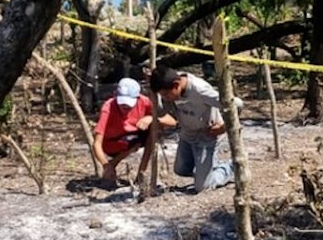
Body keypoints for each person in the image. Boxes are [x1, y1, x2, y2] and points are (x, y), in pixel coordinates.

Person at [149, 64, 242, 193]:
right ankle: (206, 170)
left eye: (166, 94)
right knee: (181, 170)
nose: (165, 98)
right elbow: (163, 111)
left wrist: (223, 127)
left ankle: (229, 168)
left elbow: (237, 104)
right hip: (187, 134)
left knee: (202, 187)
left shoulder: (200, 90)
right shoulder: (168, 81)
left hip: (206, 136)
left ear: (176, 85)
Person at [92, 77, 155, 186]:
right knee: (133, 140)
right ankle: (112, 165)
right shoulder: (108, 107)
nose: (125, 107)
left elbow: (168, 120)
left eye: (128, 104)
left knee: (153, 131)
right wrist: (106, 165)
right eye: (122, 103)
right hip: (112, 143)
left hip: (133, 137)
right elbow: (97, 143)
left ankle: (142, 172)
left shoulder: (144, 102)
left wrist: (151, 118)